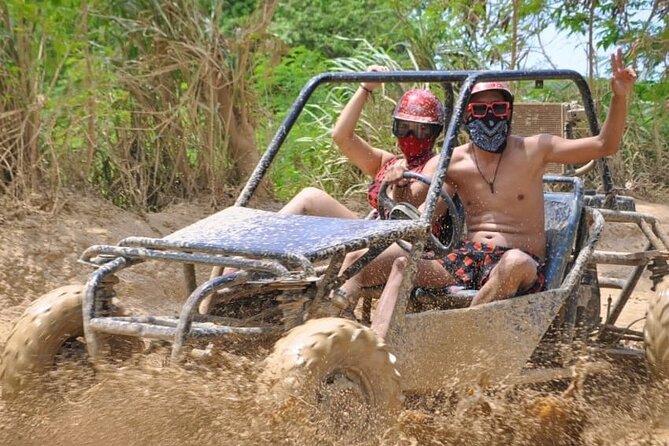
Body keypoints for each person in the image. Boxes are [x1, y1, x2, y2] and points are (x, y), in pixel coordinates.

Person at [334, 48, 637, 310]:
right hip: (467, 257)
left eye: (498, 109)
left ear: (509, 112)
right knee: (368, 260)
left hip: (520, 261)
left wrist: (619, 98)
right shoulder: (453, 162)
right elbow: (413, 204)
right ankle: (340, 337)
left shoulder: (535, 149)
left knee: (514, 263)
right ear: (467, 116)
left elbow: (604, 145)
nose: (489, 117)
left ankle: (461, 340)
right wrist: (396, 181)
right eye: (480, 109)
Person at [279, 65, 446, 220]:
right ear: (395, 128)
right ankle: (259, 241)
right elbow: (342, 137)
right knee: (310, 196)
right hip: (371, 233)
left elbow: (407, 209)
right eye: (404, 127)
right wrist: (365, 88)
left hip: (401, 242)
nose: (410, 136)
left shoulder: (435, 165)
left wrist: (399, 184)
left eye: (421, 130)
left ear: (434, 133)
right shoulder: (386, 162)